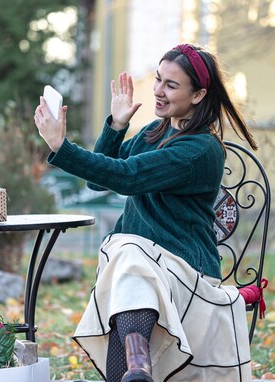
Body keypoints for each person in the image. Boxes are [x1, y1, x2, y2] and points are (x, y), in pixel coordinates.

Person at [34, 44, 258, 382]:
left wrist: (60, 148)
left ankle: (137, 363)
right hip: (141, 276)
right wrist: (116, 124)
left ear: (198, 95)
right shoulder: (156, 131)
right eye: (158, 79)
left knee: (126, 252)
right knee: (128, 261)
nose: (157, 91)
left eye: (171, 84)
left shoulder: (199, 149)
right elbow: (100, 182)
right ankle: (137, 367)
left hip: (187, 273)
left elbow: (126, 177)